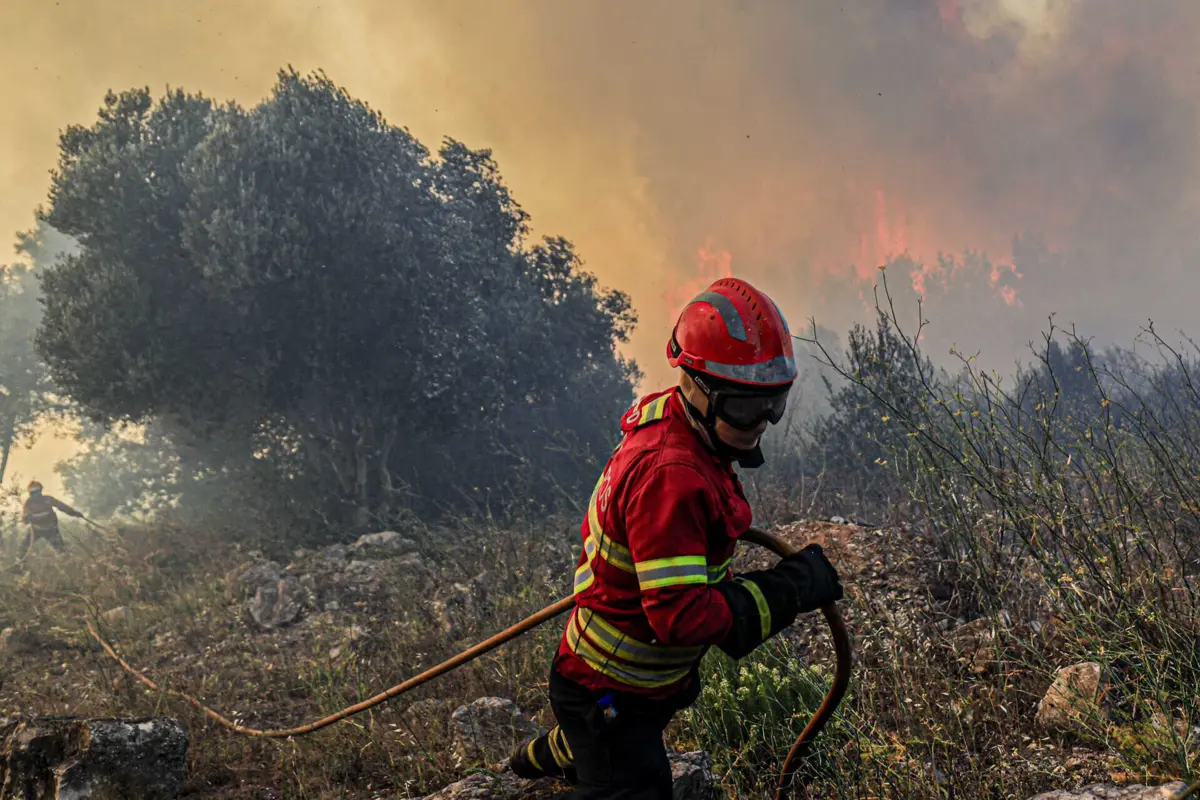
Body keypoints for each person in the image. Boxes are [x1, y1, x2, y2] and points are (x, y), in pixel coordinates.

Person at [508, 278, 845, 798]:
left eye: (773, 404)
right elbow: (681, 617)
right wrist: (791, 588)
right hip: (608, 690)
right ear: (696, 387)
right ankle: (583, 742)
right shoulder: (671, 475)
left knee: (603, 740)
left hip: (635, 690)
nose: (762, 423)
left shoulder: (681, 425)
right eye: (744, 407)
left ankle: (571, 746)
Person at [19, 480, 83, 560]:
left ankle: (68, 562)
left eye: (36, 492)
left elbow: (62, 506)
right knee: (23, 548)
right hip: (36, 529)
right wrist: (26, 519)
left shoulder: (48, 499)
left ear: (40, 491)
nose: (35, 495)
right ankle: (19, 564)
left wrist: (74, 513)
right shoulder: (28, 503)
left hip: (51, 529)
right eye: (32, 493)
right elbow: (24, 517)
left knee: (61, 550)